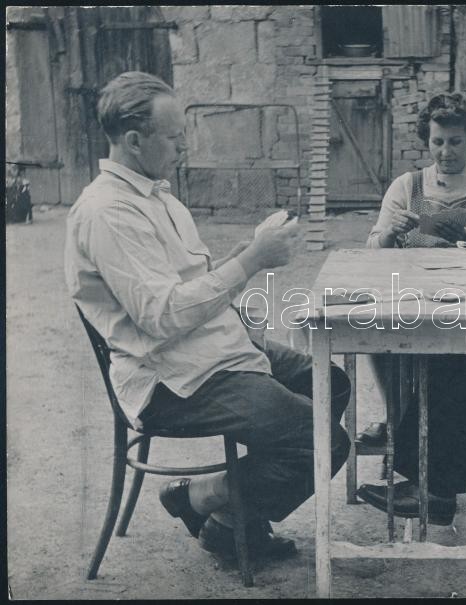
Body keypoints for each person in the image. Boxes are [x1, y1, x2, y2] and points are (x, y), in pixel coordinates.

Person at [64, 71, 351, 561]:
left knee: (332, 383)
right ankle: (202, 496)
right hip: (169, 379)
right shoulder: (108, 213)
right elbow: (161, 316)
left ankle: (230, 521)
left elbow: (183, 289)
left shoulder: (157, 197)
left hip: (206, 351)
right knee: (321, 438)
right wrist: (251, 261)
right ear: (134, 141)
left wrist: (237, 260)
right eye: (174, 136)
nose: (184, 146)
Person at [355, 92, 466, 524]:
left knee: (454, 358)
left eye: (455, 142)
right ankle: (409, 448)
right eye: (438, 142)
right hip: (413, 299)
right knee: (378, 335)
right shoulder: (407, 186)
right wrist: (390, 232)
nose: (446, 152)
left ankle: (429, 481)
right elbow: (373, 248)